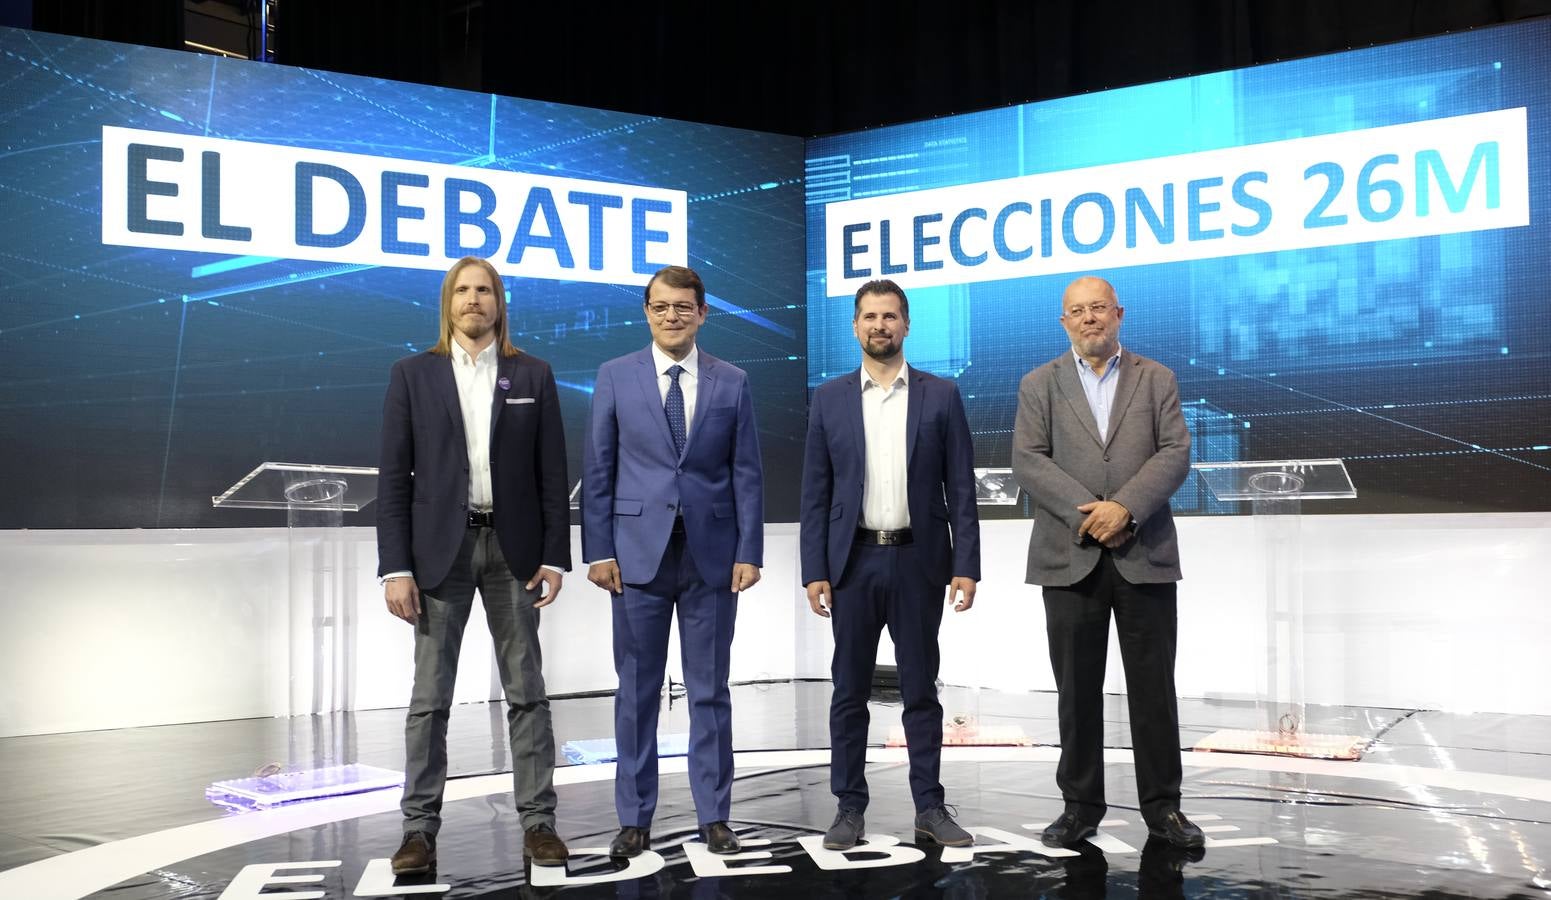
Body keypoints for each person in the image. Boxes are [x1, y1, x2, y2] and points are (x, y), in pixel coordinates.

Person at [376, 256, 572, 874]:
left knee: (526, 694)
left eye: (484, 290)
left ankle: (539, 823)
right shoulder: (412, 375)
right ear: (447, 302)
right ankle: (418, 831)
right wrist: (395, 567)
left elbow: (551, 474)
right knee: (429, 699)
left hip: (513, 553)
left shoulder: (532, 373)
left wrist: (555, 557)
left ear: (499, 302)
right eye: (463, 290)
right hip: (440, 553)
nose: (474, 299)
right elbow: (394, 479)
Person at [1010, 274, 1203, 849]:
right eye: (1077, 311)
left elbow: (1175, 452)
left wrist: (1125, 507)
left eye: (1099, 308)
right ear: (1063, 322)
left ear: (1119, 313)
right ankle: (1079, 806)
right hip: (1069, 557)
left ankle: (1163, 808)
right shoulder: (1038, 384)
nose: (1089, 318)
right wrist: (1089, 514)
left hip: (1143, 553)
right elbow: (1027, 459)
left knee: (1153, 689)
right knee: (1076, 691)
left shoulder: (1157, 378)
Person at [582, 264, 764, 858]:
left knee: (710, 691)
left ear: (702, 313)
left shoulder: (731, 381)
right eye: (660, 306)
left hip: (712, 558)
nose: (671, 316)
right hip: (636, 559)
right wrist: (599, 549)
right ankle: (634, 818)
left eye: (683, 306)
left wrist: (749, 551)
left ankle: (715, 815)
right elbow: (599, 470)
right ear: (647, 312)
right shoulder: (614, 376)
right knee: (636, 691)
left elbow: (747, 474)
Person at [799, 278, 980, 851]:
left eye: (890, 316)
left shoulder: (941, 395)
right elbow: (815, 494)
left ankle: (930, 805)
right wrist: (814, 569)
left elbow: (962, 490)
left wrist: (966, 564)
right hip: (851, 563)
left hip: (918, 562)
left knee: (920, 690)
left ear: (907, 325)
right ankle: (849, 808)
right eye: (870, 317)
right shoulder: (828, 399)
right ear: (855, 327)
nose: (880, 326)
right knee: (848, 691)